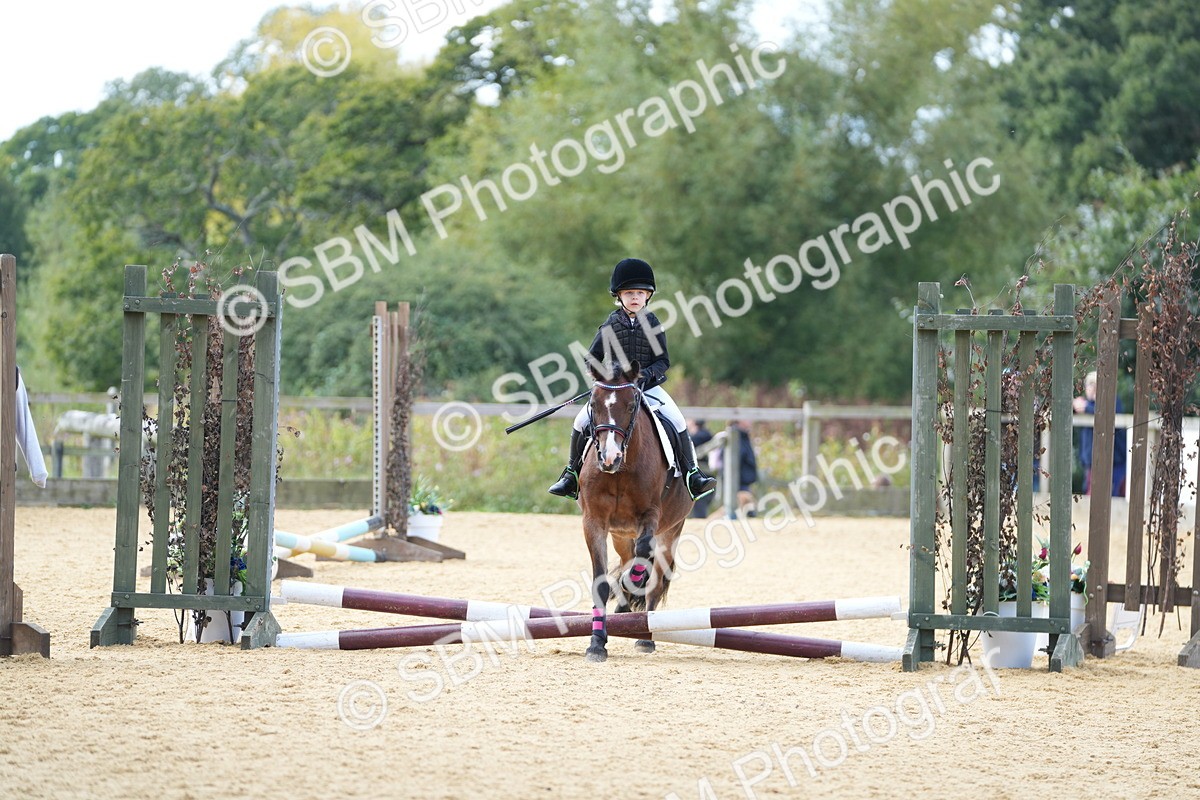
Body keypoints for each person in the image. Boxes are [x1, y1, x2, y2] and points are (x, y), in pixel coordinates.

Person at [548, 258, 717, 502]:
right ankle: (571, 474)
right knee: (581, 420)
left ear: (648, 296)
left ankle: (692, 474)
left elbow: (663, 361)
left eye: (640, 292)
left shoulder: (653, 323)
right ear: (619, 295)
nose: (635, 297)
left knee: (678, 420)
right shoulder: (610, 324)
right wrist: (604, 378)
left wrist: (646, 375)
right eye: (629, 293)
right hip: (615, 391)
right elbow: (592, 359)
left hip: (648, 389)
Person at [1073, 371, 1127, 497]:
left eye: (1096, 385)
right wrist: (1076, 405)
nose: (1092, 388)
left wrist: (1086, 407)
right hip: (1092, 464)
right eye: (1090, 384)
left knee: (1114, 497)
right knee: (1091, 497)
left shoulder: (1114, 402)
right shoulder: (1087, 405)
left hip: (1114, 463)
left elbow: (1106, 414)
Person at [688, 419, 714, 518]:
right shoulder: (705, 435)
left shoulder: (699, 436)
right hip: (706, 473)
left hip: (701, 473)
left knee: (700, 508)